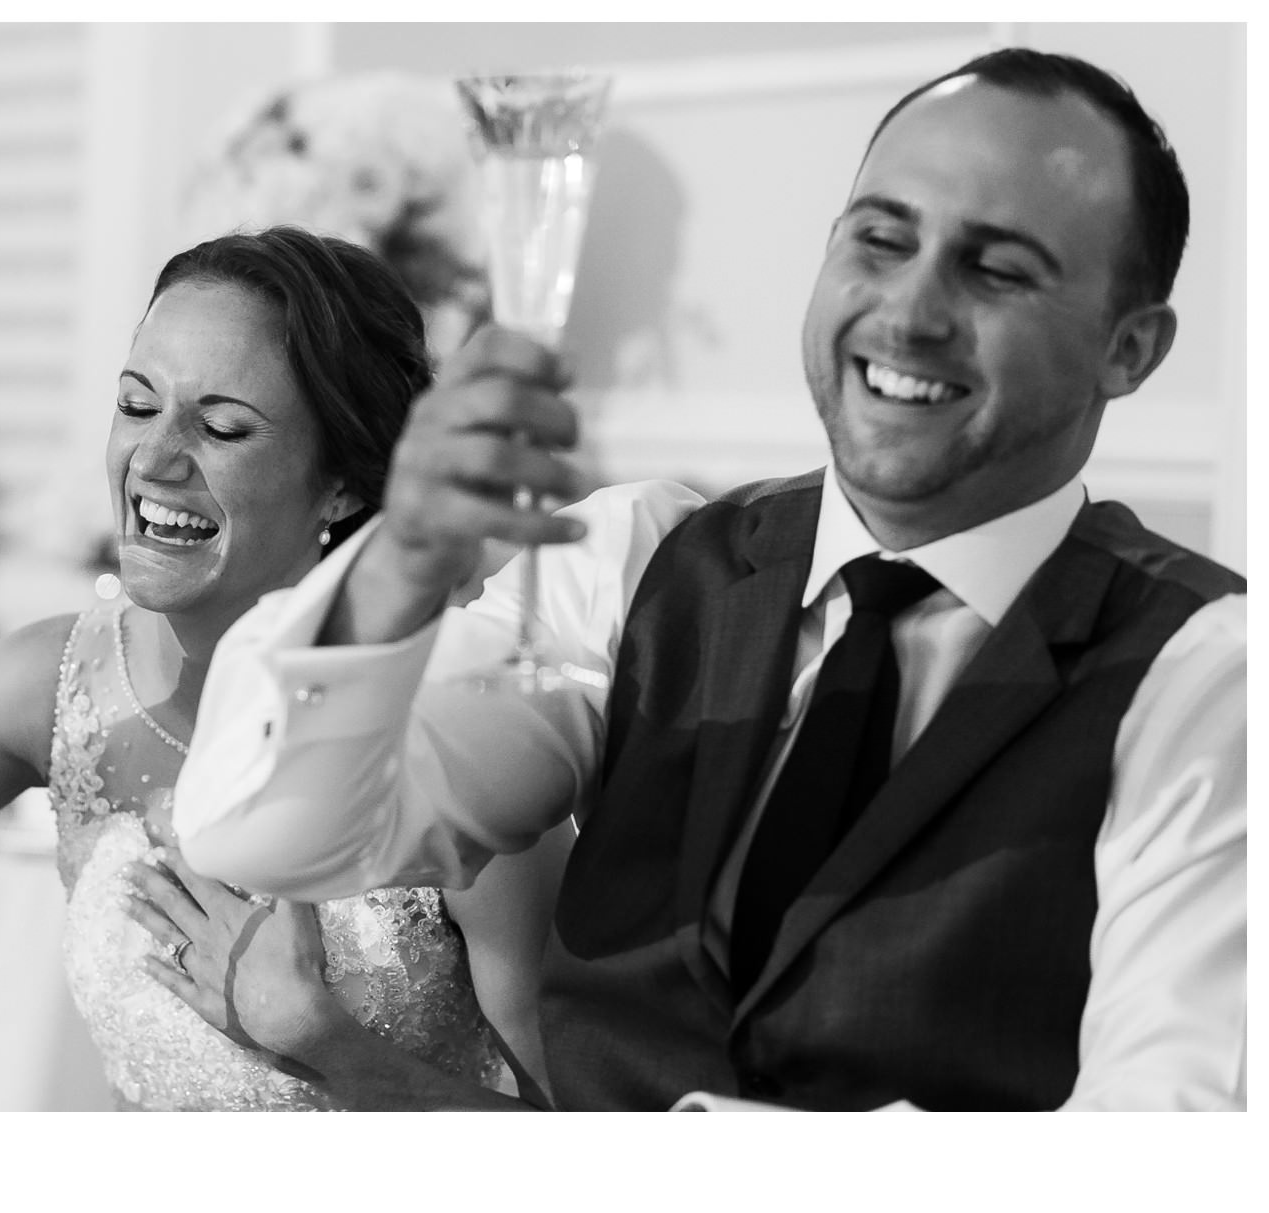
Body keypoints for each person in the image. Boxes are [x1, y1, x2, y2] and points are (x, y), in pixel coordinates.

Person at [173, 50, 1246, 1111]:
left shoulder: (1204, 674)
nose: (909, 312)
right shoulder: (631, 562)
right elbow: (259, 833)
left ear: (1130, 349)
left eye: (996, 269)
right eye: (879, 240)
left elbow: (1165, 1140)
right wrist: (396, 568)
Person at [0, 226, 566, 1111]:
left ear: (341, 483)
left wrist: (322, 1043)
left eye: (221, 427)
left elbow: (588, 1153)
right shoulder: (55, 681)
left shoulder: (462, 746)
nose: (155, 457)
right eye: (138, 406)